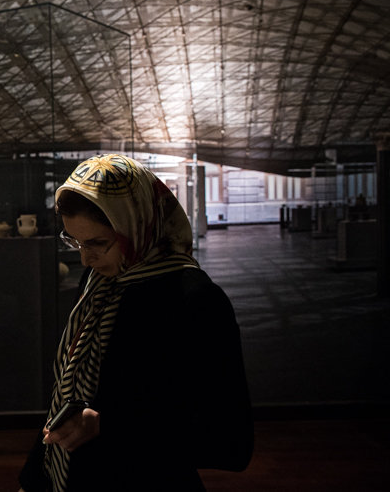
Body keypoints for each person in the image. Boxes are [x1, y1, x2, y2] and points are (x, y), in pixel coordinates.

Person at [19, 154, 253, 492]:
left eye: (98, 243)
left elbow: (229, 440)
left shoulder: (196, 301)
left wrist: (108, 425)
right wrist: (35, 476)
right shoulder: (99, 283)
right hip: (75, 475)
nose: (85, 257)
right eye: (74, 241)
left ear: (138, 225)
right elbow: (69, 394)